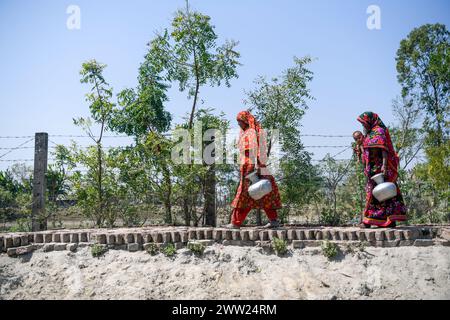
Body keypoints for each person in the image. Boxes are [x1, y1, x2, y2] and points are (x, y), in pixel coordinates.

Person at [223, 110, 282, 229]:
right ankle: (273, 220)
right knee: (265, 193)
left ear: (245, 121)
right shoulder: (246, 132)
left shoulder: (251, 132)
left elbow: (254, 150)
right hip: (255, 167)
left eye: (240, 121)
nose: (239, 124)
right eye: (238, 122)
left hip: (252, 168)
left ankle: (235, 223)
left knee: (245, 196)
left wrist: (253, 167)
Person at [357, 112, 407, 228]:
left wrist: (384, 165)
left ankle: (384, 221)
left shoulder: (379, 131)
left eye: (364, 123)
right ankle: (378, 220)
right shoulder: (369, 133)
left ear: (370, 120)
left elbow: (384, 149)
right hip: (372, 169)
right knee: (374, 194)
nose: (363, 126)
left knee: (385, 194)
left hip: (381, 168)